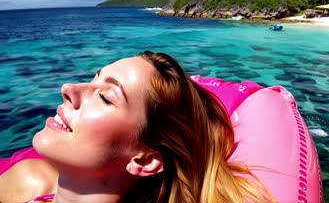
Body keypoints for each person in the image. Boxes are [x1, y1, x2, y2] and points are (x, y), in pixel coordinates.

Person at [0, 51, 274, 203]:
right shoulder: (29, 180)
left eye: (106, 97)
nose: (68, 89)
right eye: (93, 78)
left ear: (146, 159)